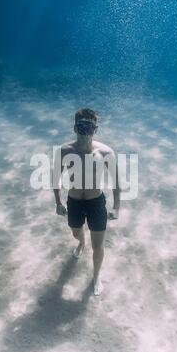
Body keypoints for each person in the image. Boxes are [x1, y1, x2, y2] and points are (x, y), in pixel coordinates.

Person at [53, 109, 121, 296]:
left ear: (95, 129)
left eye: (89, 127)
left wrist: (116, 207)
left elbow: (116, 182)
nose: (85, 131)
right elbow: (55, 178)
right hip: (74, 202)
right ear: (75, 127)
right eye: (81, 126)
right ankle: (81, 243)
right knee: (76, 232)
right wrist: (58, 202)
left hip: (96, 203)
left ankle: (96, 276)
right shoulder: (65, 151)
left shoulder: (106, 152)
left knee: (98, 245)